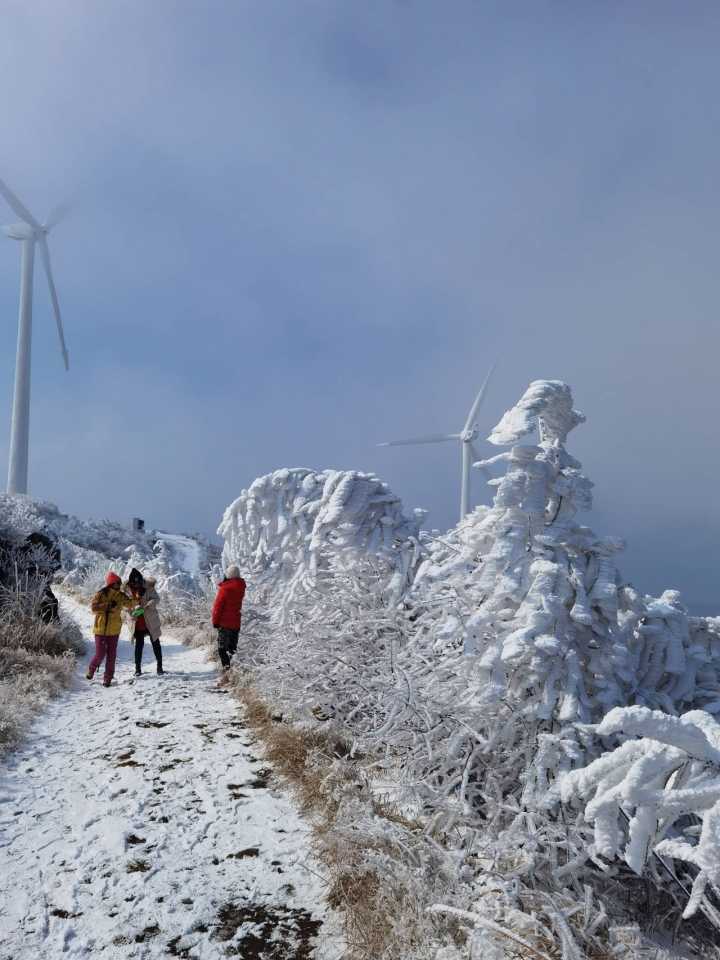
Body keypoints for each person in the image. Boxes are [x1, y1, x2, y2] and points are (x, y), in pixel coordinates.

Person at [87, 572, 135, 687]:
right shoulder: (101, 594)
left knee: (112, 655)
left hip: (114, 630)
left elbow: (130, 604)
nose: (119, 585)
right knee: (100, 653)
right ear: (111, 583)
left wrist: (137, 596)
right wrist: (107, 605)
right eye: (117, 583)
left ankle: (107, 678)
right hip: (101, 629)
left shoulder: (121, 595)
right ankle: (92, 669)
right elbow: (93, 608)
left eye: (119, 583)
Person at [125, 568, 164, 676]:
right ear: (131, 583)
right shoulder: (126, 589)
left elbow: (156, 599)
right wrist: (133, 609)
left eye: (139, 583)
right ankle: (137, 669)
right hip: (136, 621)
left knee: (156, 643)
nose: (137, 586)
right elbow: (125, 605)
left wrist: (147, 605)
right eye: (135, 584)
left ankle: (159, 667)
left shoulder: (148, 586)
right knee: (139, 645)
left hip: (150, 620)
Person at [211, 565, 246, 670]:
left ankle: (227, 671)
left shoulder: (225, 589)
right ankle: (233, 672)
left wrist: (215, 622)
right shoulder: (241, 588)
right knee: (232, 649)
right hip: (236, 623)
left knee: (222, 649)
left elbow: (217, 607)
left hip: (224, 624)